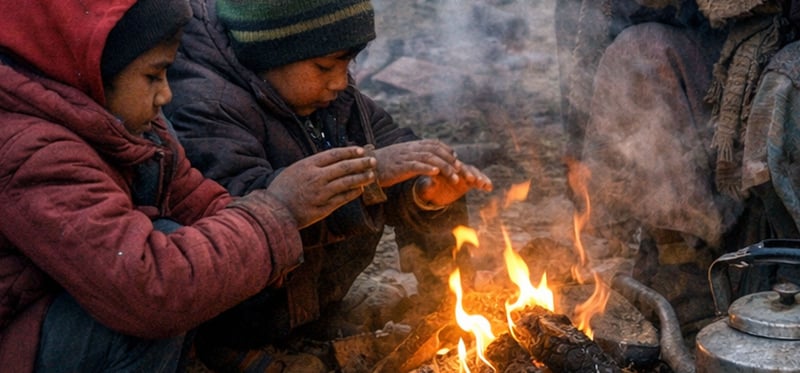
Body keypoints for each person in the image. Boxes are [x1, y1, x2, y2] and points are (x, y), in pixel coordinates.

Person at [0, 0, 382, 372]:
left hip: (65, 305)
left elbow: (194, 197)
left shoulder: (130, 127)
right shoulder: (35, 152)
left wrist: (272, 229)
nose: (166, 95)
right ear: (91, 71)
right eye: (153, 76)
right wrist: (277, 211)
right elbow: (148, 291)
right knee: (158, 292)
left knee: (206, 248)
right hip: (20, 337)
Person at [163, 0, 494, 370]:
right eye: (324, 66)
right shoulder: (209, 105)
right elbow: (239, 212)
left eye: (347, 64)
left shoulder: (329, 97)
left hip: (303, 301)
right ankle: (224, 349)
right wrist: (369, 175)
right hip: (236, 314)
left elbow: (392, 146)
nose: (340, 81)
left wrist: (425, 193)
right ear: (271, 50)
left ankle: (442, 310)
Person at [558, 0, 800, 331]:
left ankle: (789, 269)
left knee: (784, 83)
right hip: (715, 55)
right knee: (640, 52)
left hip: (783, 46)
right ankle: (684, 265)